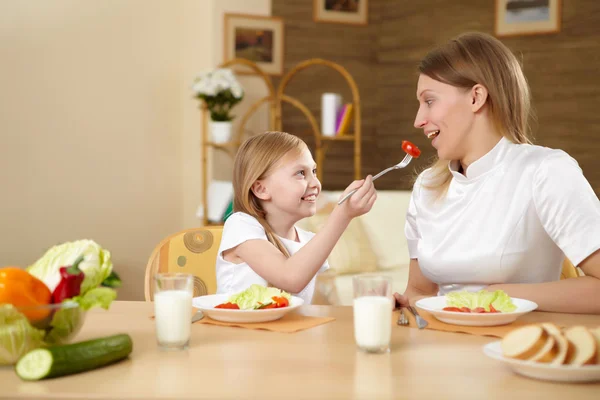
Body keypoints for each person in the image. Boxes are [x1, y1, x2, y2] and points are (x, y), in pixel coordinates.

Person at [393, 32, 600, 314]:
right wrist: (404, 303)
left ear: (476, 97)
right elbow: (419, 292)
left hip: (515, 346)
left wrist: (500, 296)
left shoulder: (546, 171)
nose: (418, 120)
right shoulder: (427, 186)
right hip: (436, 346)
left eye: (429, 101)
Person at [216, 131, 377, 303]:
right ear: (261, 189)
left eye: (313, 171)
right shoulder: (241, 226)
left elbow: (317, 307)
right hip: (237, 329)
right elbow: (290, 278)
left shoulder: (309, 243)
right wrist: (342, 215)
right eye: (301, 173)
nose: (315, 183)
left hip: (286, 330)